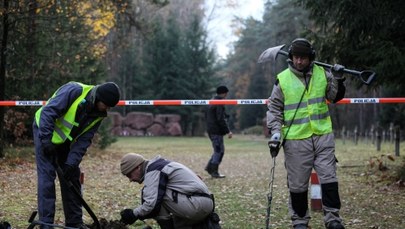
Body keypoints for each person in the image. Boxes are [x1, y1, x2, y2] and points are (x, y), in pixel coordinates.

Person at [266, 38, 346, 229]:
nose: (299, 62)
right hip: (295, 141)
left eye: (303, 58)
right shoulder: (283, 79)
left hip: (322, 137)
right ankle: (300, 221)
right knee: (298, 185)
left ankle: (333, 219)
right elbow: (274, 109)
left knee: (329, 179)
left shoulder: (323, 74)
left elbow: (334, 97)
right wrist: (276, 133)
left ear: (311, 58)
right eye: (295, 57)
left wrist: (338, 79)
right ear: (291, 57)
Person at [33, 81, 120, 229]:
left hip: (64, 141)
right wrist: (46, 141)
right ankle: (46, 224)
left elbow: (83, 142)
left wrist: (71, 164)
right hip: (44, 131)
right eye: (106, 105)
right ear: (98, 98)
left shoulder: (98, 114)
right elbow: (48, 113)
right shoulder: (74, 91)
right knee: (47, 177)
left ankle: (74, 223)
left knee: (72, 177)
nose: (108, 109)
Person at [119, 153, 220, 229]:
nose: (130, 180)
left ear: (138, 167)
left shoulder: (154, 170)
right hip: (202, 202)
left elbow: (151, 204)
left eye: (129, 175)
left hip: (198, 205)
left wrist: (133, 214)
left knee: (156, 196)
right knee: (154, 193)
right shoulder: (159, 165)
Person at [204, 86, 233, 178]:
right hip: (216, 130)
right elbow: (220, 119)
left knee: (218, 150)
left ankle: (210, 168)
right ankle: (214, 171)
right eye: (226, 93)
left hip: (211, 129)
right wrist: (228, 131)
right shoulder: (219, 102)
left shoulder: (211, 101)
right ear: (224, 93)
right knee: (219, 151)